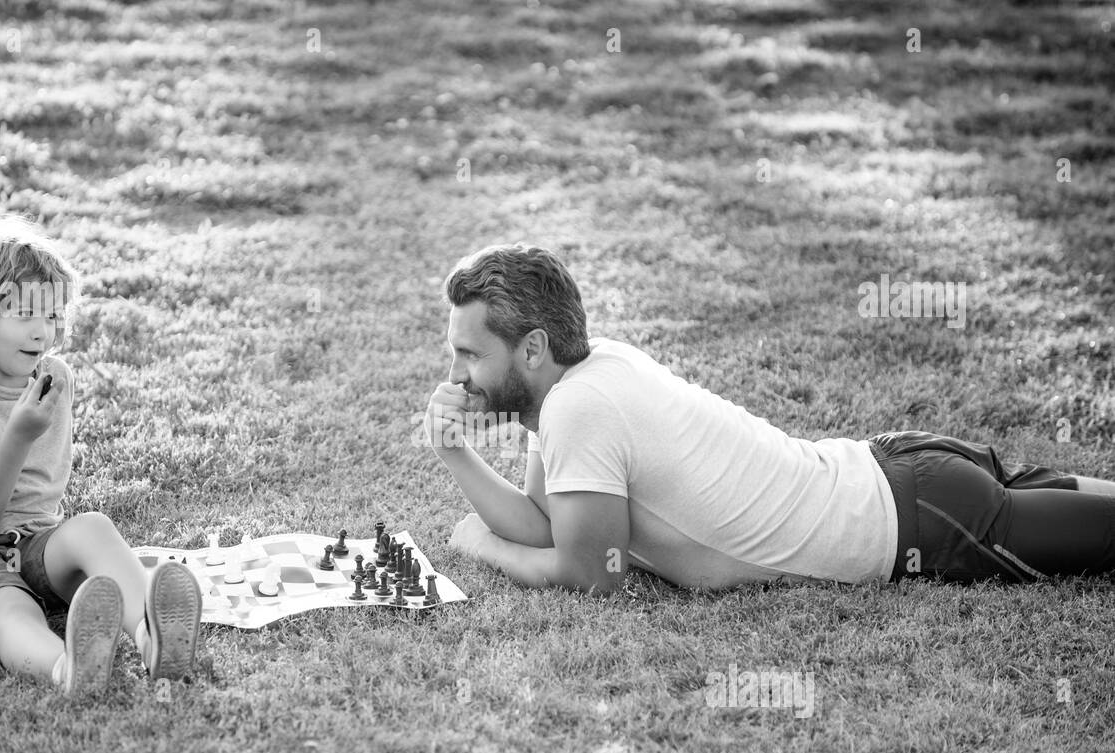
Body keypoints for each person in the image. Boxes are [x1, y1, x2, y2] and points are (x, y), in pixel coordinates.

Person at [426, 243, 1115, 593]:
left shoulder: (581, 406)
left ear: (535, 348)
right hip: (903, 475)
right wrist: (459, 454)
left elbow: (589, 575)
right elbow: (554, 526)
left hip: (919, 520)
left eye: (470, 354)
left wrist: (480, 545)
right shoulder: (585, 377)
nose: (456, 375)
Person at [0, 218, 203, 694]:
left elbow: (37, 500)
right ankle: (68, 669)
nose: (43, 333)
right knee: (13, 608)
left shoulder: (52, 376)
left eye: (53, 316)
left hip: (27, 542)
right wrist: (17, 437)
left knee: (92, 527)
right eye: (25, 316)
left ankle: (151, 637)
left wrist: (49, 548)